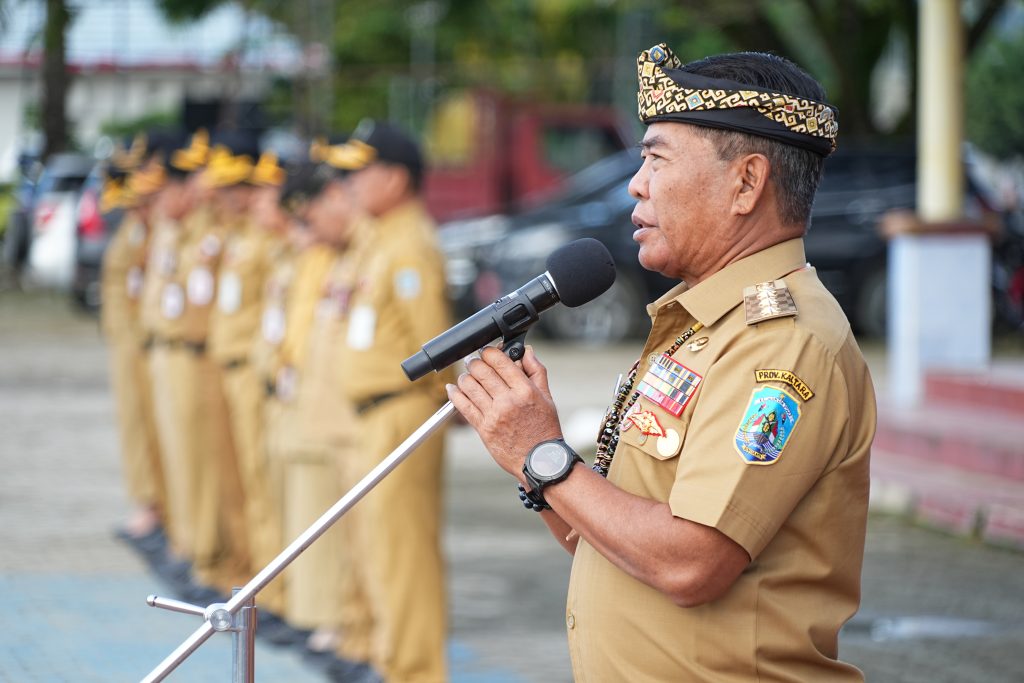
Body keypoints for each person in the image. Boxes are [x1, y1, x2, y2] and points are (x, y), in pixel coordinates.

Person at [447, 45, 876, 681]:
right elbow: (607, 535)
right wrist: (529, 456)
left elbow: (690, 563)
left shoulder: (783, 343)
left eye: (655, 158)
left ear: (746, 183)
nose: (635, 184)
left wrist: (545, 457)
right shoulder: (701, 325)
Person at [328, 120, 453, 683]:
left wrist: (434, 407)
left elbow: (438, 347)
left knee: (403, 557)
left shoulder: (408, 245)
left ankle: (414, 671)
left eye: (364, 171)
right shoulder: (380, 237)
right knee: (380, 552)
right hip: (374, 414)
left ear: (397, 179)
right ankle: (390, 658)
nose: (352, 183)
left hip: (399, 414)